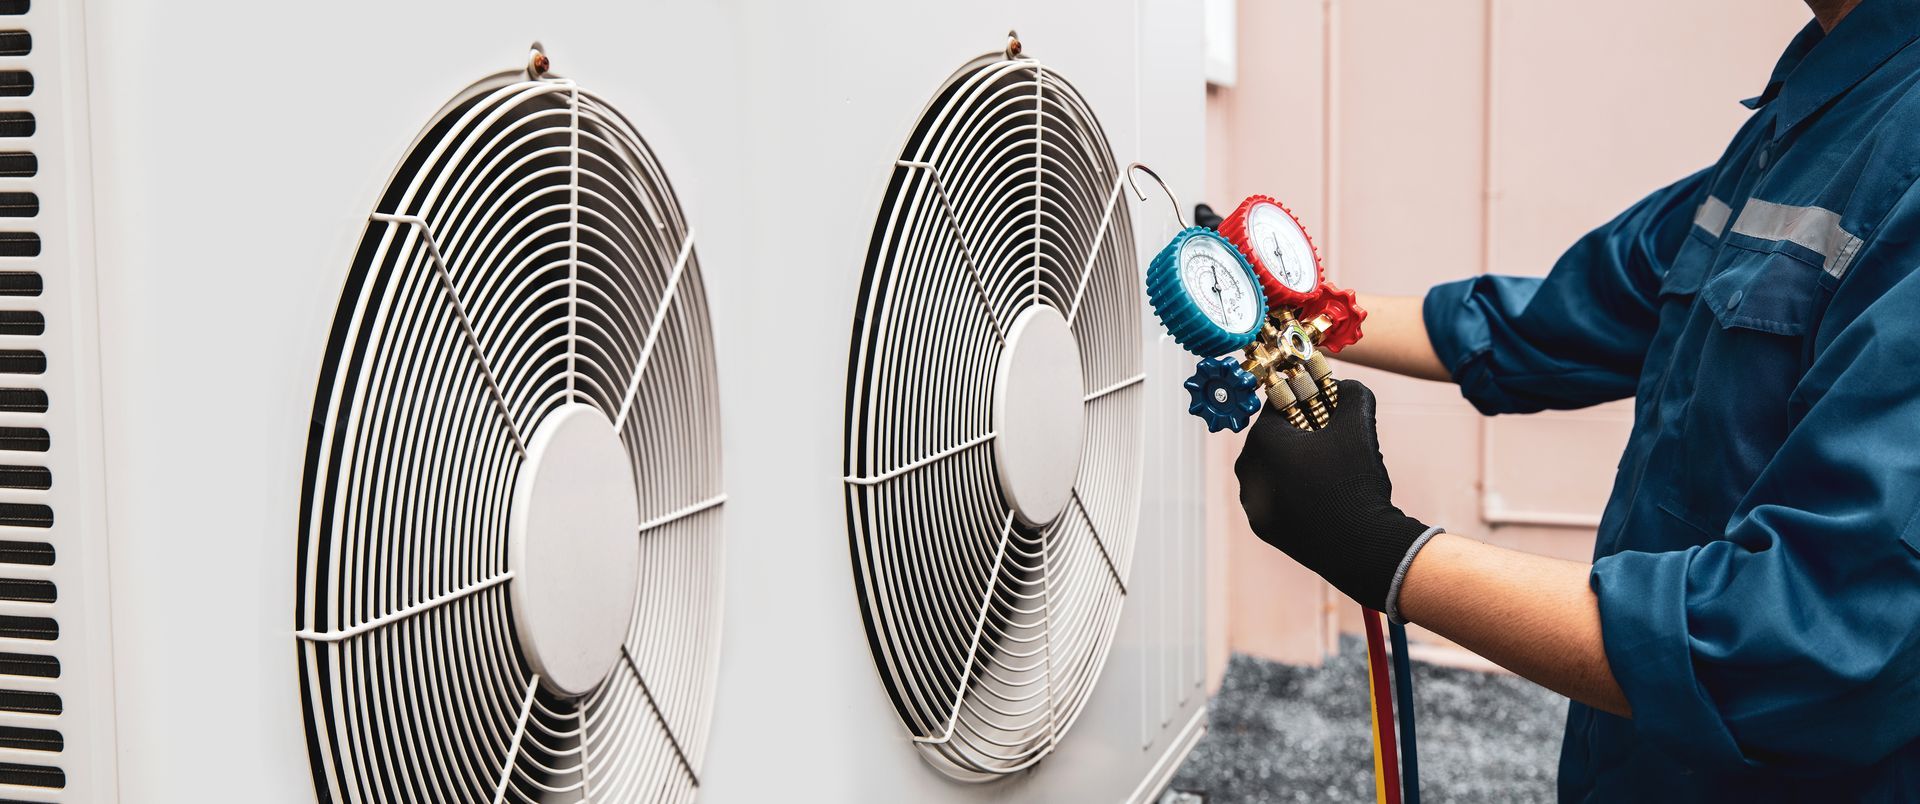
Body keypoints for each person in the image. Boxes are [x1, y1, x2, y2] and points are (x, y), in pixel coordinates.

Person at [1229, 0, 1920, 799]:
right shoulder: (1815, 105)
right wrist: (1288, 305)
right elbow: (1558, 320)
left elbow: (1809, 635)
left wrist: (1379, 548)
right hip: (1633, 757)